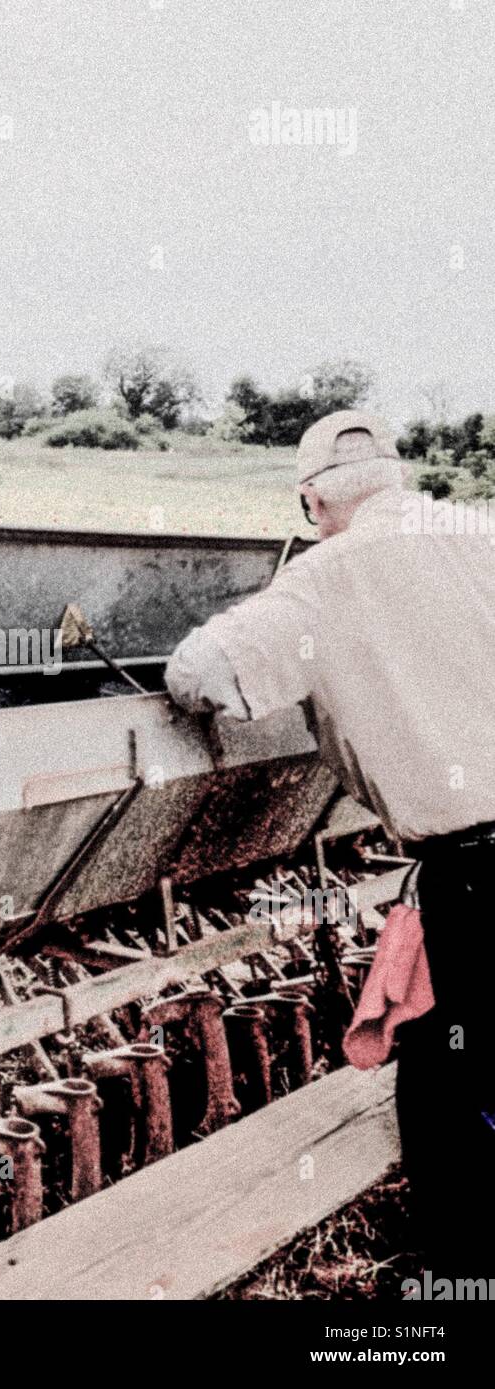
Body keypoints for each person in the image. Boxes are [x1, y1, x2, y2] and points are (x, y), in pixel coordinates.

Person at [163, 408, 495, 1281]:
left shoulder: (326, 578)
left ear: (313, 502)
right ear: (396, 478)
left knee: (451, 1084)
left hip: (481, 873)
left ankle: (460, 1276)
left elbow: (202, 675)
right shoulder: (481, 531)